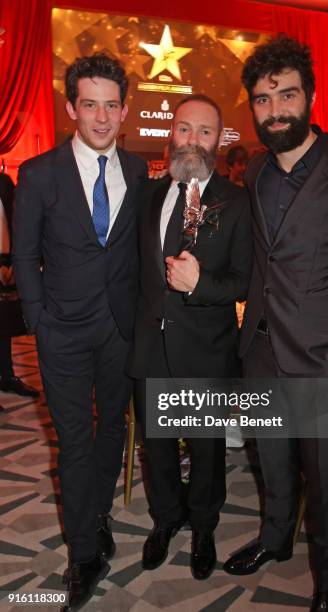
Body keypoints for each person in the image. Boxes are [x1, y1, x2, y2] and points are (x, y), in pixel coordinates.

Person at [222, 35, 328, 612]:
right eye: (263, 100)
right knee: (271, 462)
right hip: (262, 355)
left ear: (312, 97)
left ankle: (327, 582)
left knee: (324, 484)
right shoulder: (257, 175)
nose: (275, 111)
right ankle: (274, 540)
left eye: (287, 96)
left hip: (326, 361)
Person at [13, 54, 147, 611]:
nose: (100, 116)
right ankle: (84, 552)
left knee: (111, 429)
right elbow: (23, 254)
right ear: (71, 107)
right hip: (61, 331)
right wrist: (39, 320)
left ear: (123, 109)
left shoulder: (138, 170)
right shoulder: (39, 173)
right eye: (88, 103)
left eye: (111, 104)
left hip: (119, 327)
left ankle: (96, 515)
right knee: (73, 441)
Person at [127, 94, 252, 580]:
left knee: (206, 450)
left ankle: (203, 526)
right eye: (184, 129)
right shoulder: (150, 195)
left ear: (218, 140)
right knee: (157, 449)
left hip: (206, 353)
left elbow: (244, 280)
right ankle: (165, 520)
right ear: (170, 133)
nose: (193, 140)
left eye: (204, 132)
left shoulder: (237, 202)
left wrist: (200, 285)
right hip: (151, 348)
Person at [0, 172, 39, 398]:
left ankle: (7, 376)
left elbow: (16, 220)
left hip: (6, 262)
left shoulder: (4, 182)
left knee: (4, 324)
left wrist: (15, 259)